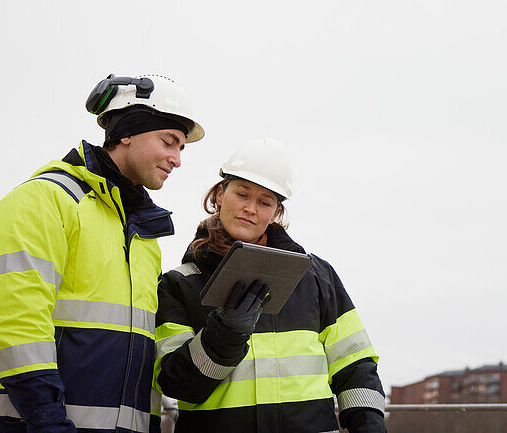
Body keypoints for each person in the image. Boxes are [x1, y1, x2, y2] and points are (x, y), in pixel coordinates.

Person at [0, 74, 205, 433]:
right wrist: (48, 421)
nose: (177, 159)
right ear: (127, 132)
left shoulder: (145, 238)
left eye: (181, 148)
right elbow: (16, 325)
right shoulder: (44, 201)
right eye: (169, 142)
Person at [154, 137, 387, 433]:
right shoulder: (178, 284)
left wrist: (368, 426)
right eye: (242, 194)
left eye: (265, 202)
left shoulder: (316, 276)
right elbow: (176, 384)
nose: (250, 208)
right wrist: (222, 337)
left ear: (276, 212)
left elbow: (355, 365)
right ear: (220, 195)